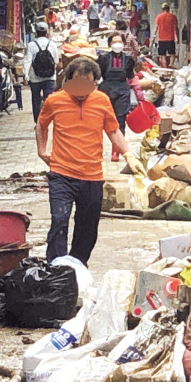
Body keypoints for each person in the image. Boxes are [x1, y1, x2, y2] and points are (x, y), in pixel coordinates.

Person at [36, 57, 146, 265]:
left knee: (88, 226)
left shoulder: (102, 100)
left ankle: (77, 264)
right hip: (61, 174)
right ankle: (57, 267)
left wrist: (129, 155)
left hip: (92, 175)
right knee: (59, 220)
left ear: (95, 82)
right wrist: (42, 151)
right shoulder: (54, 100)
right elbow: (41, 125)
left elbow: (113, 130)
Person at [98, 32, 144, 161]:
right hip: (106, 91)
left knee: (120, 122)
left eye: (119, 42)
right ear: (109, 44)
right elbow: (97, 76)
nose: (117, 44)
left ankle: (116, 150)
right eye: (114, 42)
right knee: (100, 121)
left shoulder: (128, 60)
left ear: (123, 44)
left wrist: (139, 95)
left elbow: (131, 77)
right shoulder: (103, 59)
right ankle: (97, 149)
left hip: (122, 92)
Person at [23, 22, 59, 123]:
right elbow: (56, 61)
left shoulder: (31, 45)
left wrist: (26, 75)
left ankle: (38, 121)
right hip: (50, 77)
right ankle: (48, 119)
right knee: (49, 100)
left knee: (36, 100)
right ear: (47, 32)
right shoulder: (52, 44)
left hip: (35, 78)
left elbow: (27, 60)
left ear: (36, 32)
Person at [152, 2, 178, 68]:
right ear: (168, 9)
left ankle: (164, 67)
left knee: (162, 55)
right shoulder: (173, 17)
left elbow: (156, 28)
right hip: (170, 39)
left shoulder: (159, 17)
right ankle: (171, 65)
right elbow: (175, 28)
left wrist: (153, 37)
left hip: (161, 39)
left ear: (162, 9)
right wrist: (176, 37)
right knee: (172, 54)